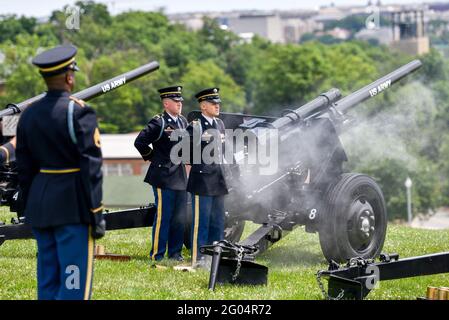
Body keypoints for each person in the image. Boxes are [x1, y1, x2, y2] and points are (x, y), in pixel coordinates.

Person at [16, 45, 105, 300]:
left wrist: (29, 205)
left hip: (41, 205)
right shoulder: (78, 111)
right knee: (74, 282)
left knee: (48, 279)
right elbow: (91, 166)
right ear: (69, 77)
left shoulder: (29, 114)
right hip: (72, 207)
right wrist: (96, 213)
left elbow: (25, 167)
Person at [134, 86, 188, 262]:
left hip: (180, 177)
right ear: (166, 103)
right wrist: (152, 157)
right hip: (163, 176)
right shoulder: (159, 122)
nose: (180, 103)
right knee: (163, 217)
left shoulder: (182, 122)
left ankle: (175, 254)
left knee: (180, 218)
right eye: (176, 101)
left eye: (180, 100)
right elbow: (140, 142)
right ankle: (157, 255)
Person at [186, 88, 229, 268]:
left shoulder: (220, 124)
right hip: (202, 179)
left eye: (218, 103)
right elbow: (185, 151)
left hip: (218, 178)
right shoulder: (195, 126)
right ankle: (198, 257)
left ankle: (215, 257)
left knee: (218, 221)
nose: (217, 106)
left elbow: (223, 151)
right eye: (213, 103)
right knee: (201, 222)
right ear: (203, 106)